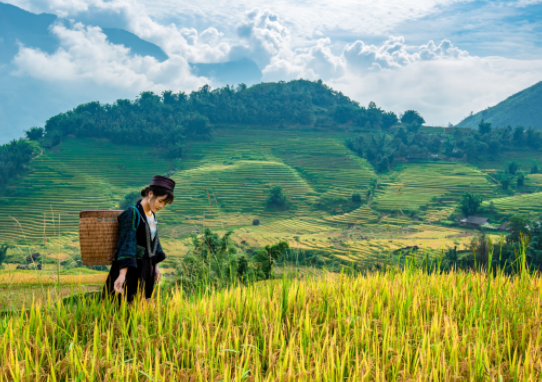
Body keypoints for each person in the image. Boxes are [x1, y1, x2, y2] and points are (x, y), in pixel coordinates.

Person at [102, 175, 175, 303]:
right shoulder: (133, 213)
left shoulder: (152, 215)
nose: (162, 206)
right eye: (160, 201)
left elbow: (154, 244)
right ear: (150, 193)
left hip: (146, 269)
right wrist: (122, 275)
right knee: (121, 308)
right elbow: (126, 244)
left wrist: (155, 267)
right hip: (132, 270)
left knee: (140, 308)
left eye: (165, 203)